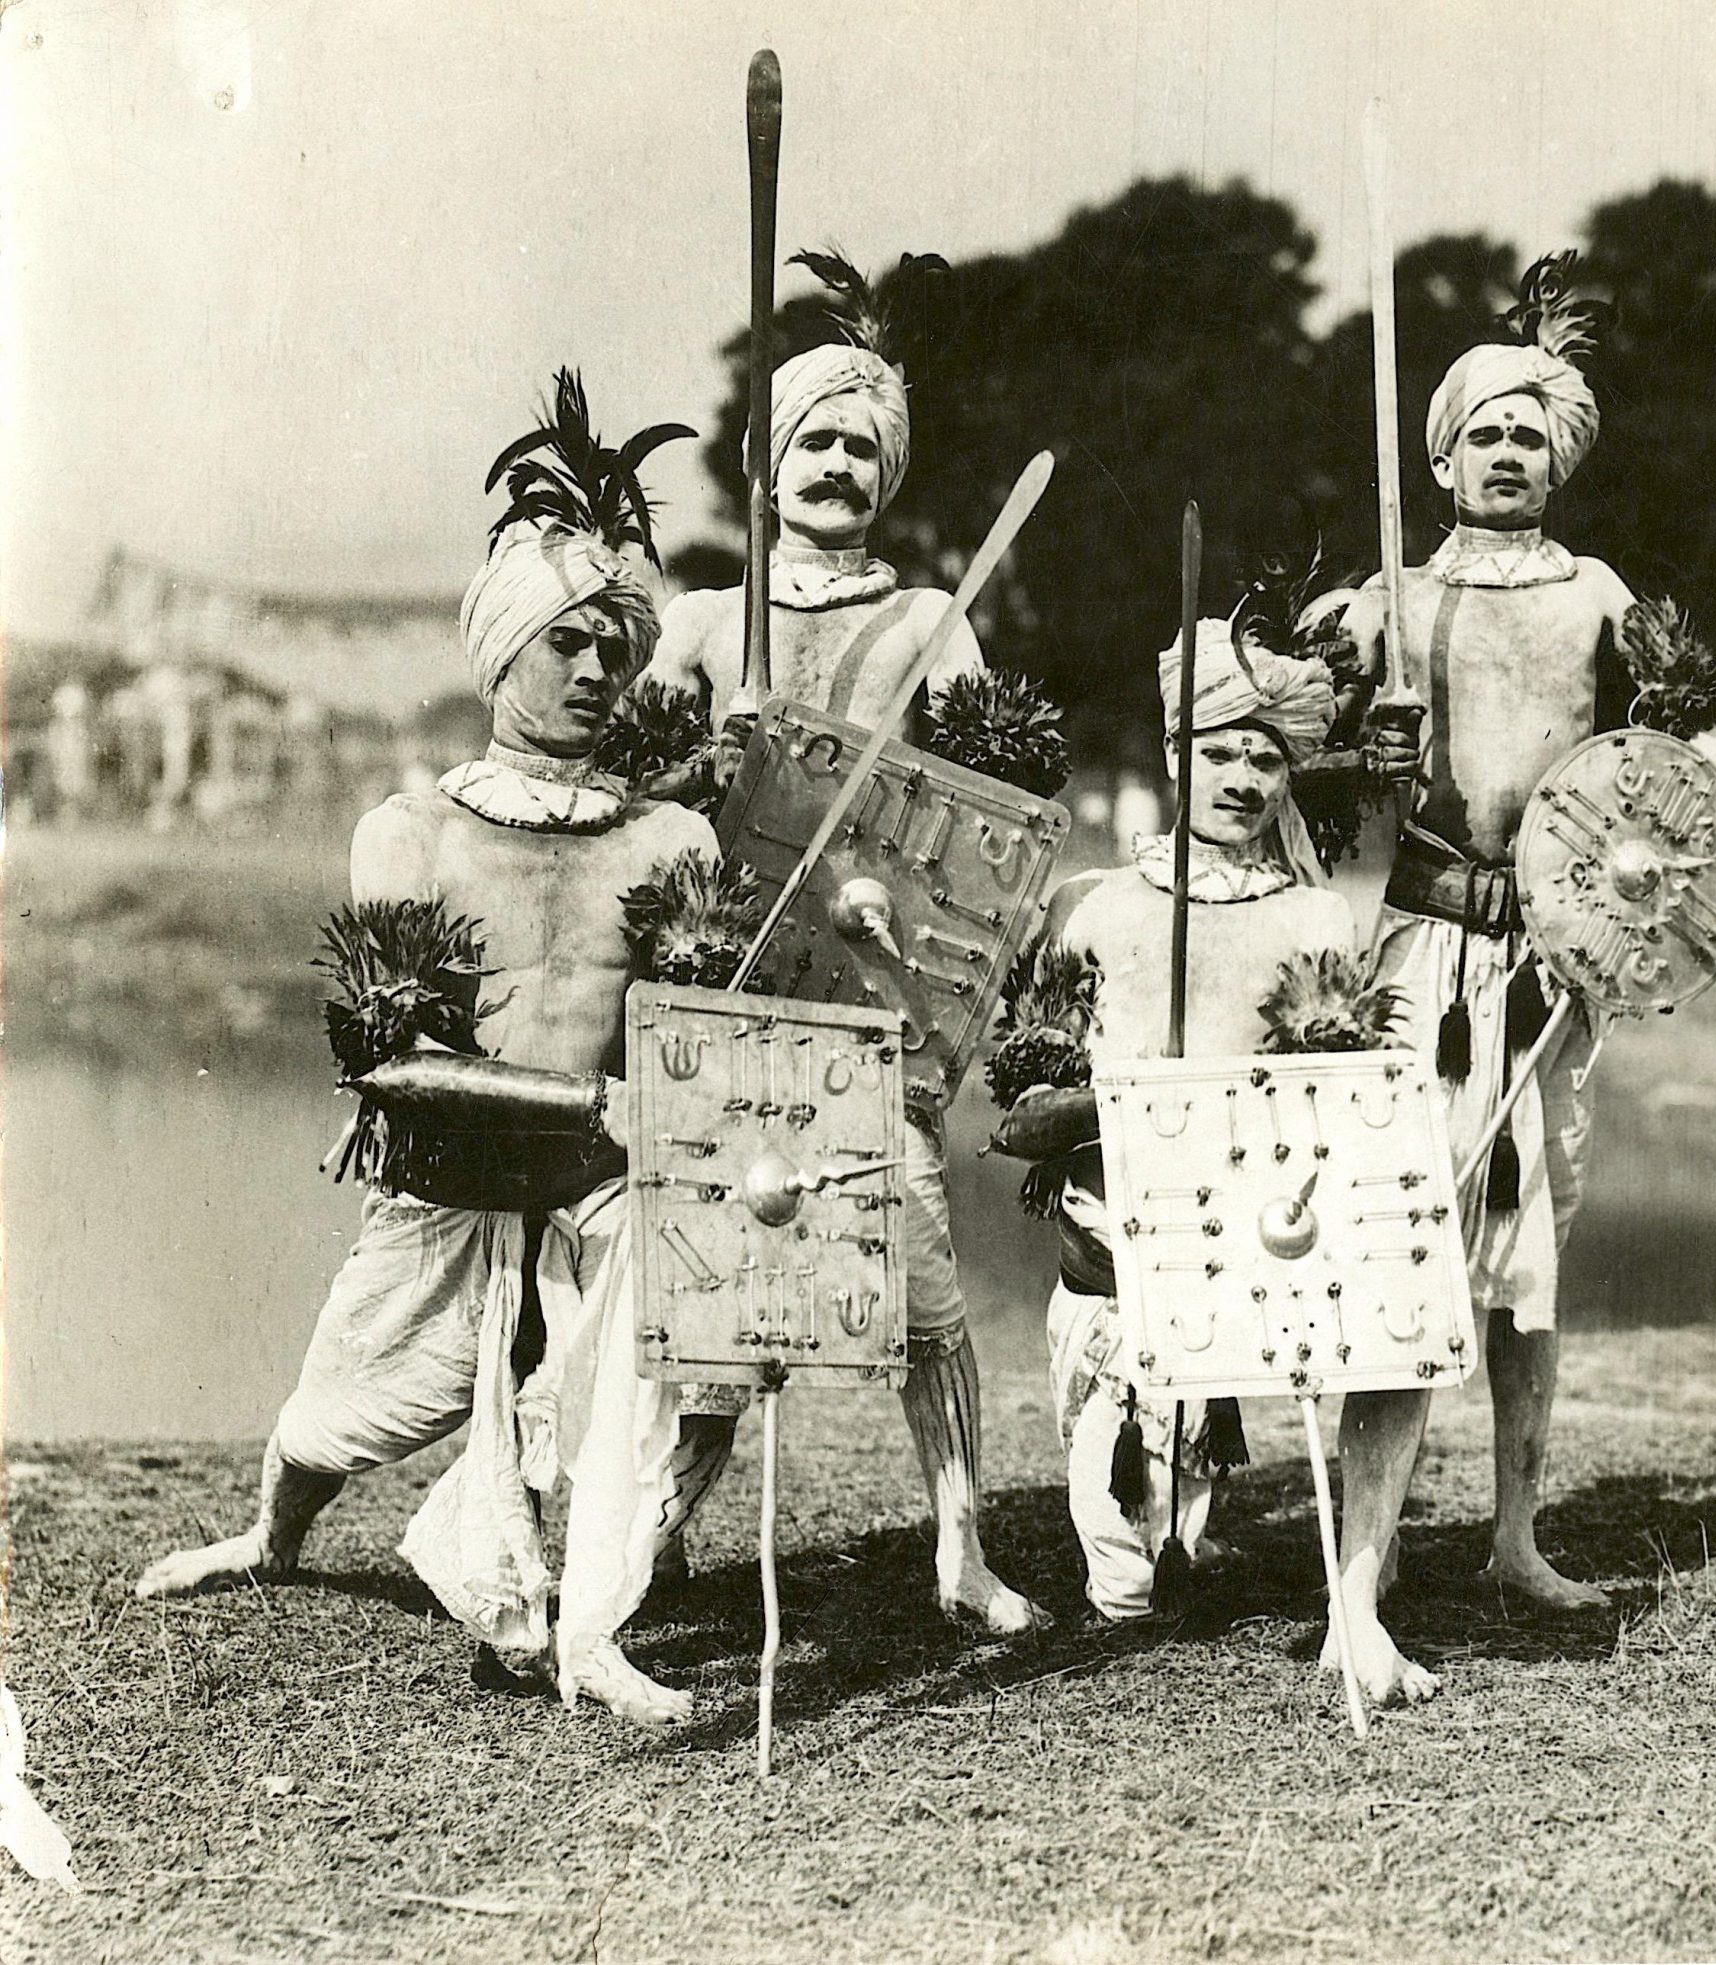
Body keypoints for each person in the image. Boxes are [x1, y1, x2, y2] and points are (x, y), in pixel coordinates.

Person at [135, 374, 713, 1720]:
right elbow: (386, 1055)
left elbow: (693, 1029)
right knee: (345, 1402)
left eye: (610, 649)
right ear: (499, 652)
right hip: (453, 1175)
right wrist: (574, 1092)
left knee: (639, 1368)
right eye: (563, 644)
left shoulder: (669, 840)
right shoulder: (416, 829)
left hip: (598, 1184)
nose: (592, 672)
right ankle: (271, 1538)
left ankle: (594, 1623)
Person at [640, 251, 1040, 1636]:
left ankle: (962, 1543)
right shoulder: (700, 620)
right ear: (767, 460)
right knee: (712, 1285)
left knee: (921, 1272)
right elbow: (631, 789)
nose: (835, 466)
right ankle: (654, 1532)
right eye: (811, 439)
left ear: (892, 476)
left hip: (877, 997)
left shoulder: (932, 622)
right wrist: (707, 759)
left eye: (862, 449)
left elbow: (992, 819)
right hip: (724, 987)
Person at [1337, 255, 1716, 1612]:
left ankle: (1515, 1533)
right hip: (1414, 949)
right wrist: (1361, 748)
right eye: (1483, 432)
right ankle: (1366, 1554)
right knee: (1396, 1232)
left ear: (1557, 461)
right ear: (1441, 455)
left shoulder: (1599, 598)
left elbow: (1672, 772)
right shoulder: (1383, 604)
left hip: (1552, 965)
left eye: (1529, 434)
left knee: (1531, 1255)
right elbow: (1271, 776)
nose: (1506, 452)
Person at [987, 614, 1441, 1706]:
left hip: (1257, 1248)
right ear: (1175, 754)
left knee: (1409, 1327)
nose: (1241, 775)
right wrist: (1116, 1104)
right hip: (1115, 1248)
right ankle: (1149, 1516)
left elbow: (1348, 1104)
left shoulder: (1315, 916)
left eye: (1266, 755)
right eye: (1219, 749)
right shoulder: (1091, 907)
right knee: (1129, 1579)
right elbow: (1015, 1107)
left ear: (1292, 772)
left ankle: (1356, 1603)